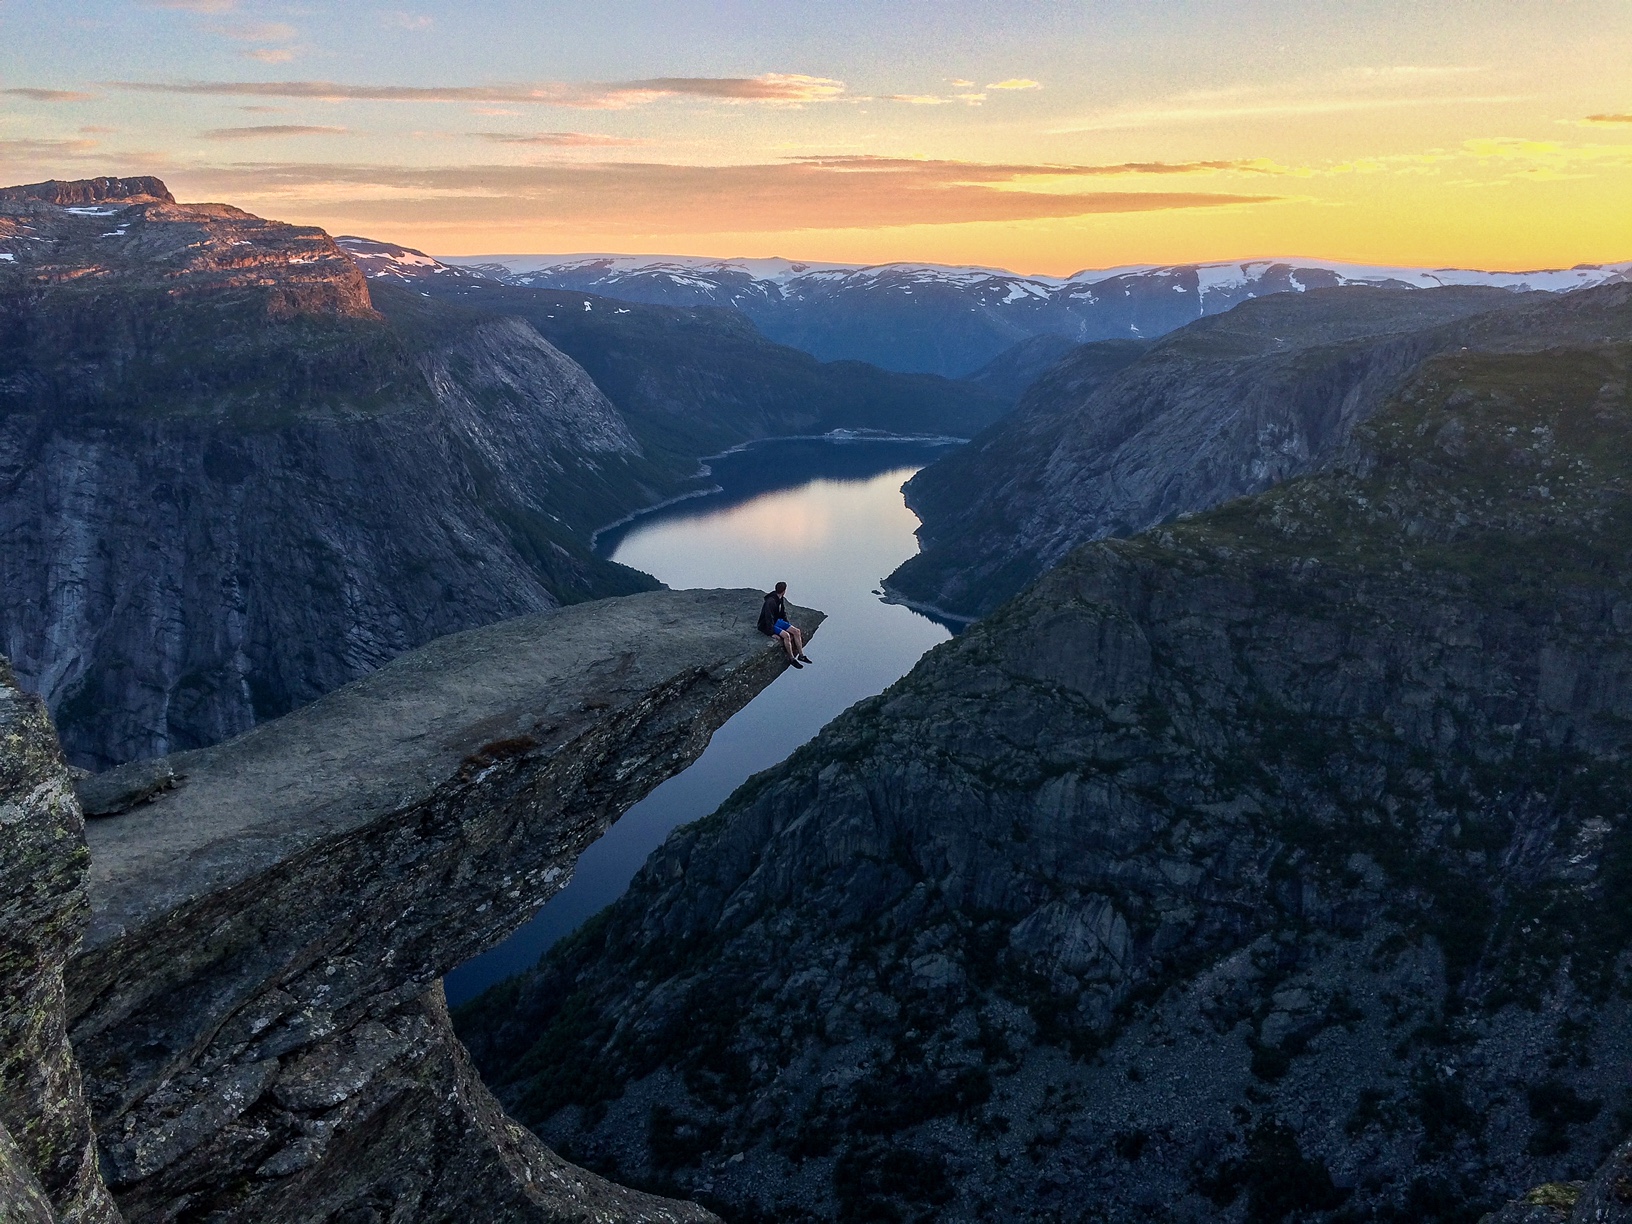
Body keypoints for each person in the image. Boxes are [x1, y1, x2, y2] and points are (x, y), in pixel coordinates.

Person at [758, 581, 812, 669]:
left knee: (796, 631)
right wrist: (771, 633)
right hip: (769, 624)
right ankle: (791, 658)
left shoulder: (780, 598)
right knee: (786, 636)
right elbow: (768, 618)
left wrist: (786, 624)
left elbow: (782, 612)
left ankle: (801, 655)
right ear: (784, 591)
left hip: (777, 620)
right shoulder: (770, 601)